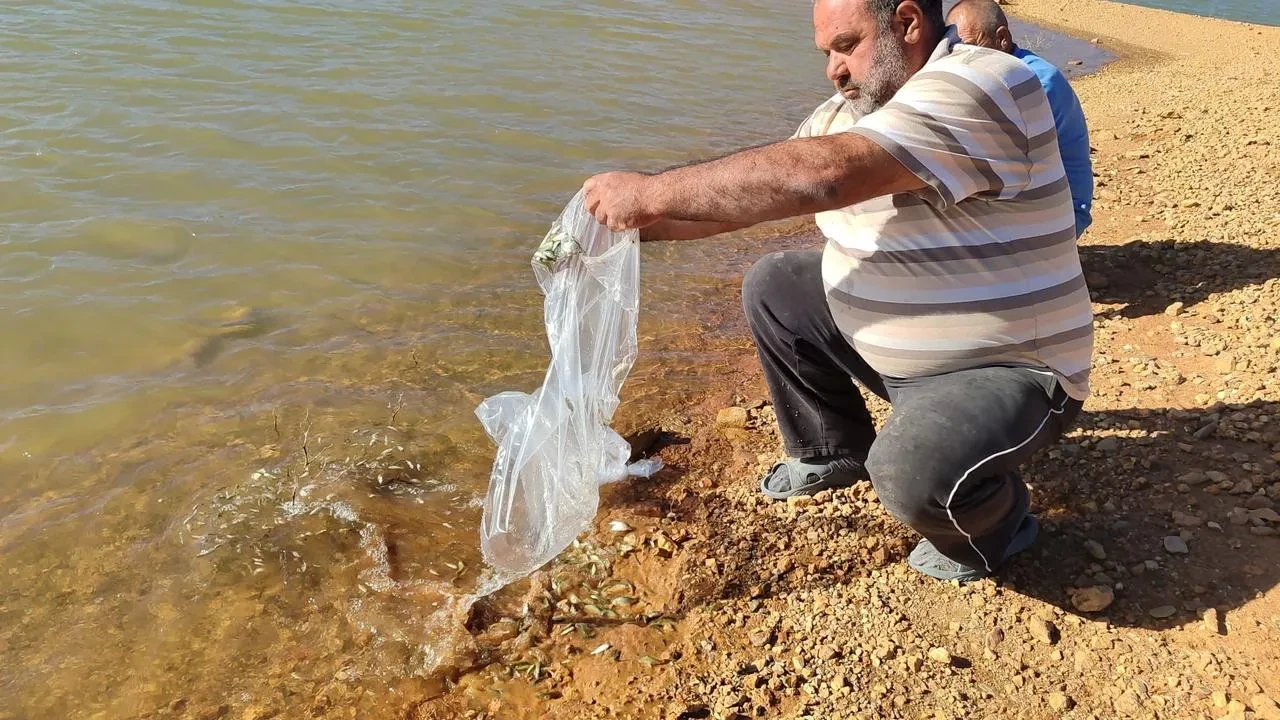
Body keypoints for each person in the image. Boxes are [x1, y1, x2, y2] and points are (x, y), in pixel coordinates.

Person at [581, 0, 1093, 582]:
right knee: (777, 282)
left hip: (1010, 367)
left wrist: (648, 191)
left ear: (907, 23)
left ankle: (996, 532)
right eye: (826, 53)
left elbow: (823, 174)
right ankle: (831, 449)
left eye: (847, 45)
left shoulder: (987, 82)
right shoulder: (851, 112)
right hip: (899, 356)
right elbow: (742, 203)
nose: (833, 69)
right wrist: (624, 231)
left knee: (909, 473)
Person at [946, 0, 1095, 237]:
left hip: (1065, 212)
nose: (961, 61)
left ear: (1002, 38)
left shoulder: (1032, 83)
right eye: (953, 51)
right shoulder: (1005, 69)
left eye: (971, 49)